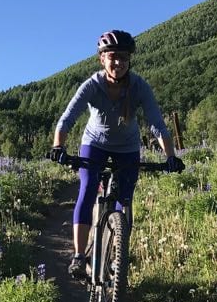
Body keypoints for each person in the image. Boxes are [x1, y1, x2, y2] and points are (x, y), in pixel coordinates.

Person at [49, 29, 183, 278]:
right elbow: (67, 119)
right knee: (88, 188)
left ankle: (117, 256)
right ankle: (79, 256)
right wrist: (59, 147)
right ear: (102, 59)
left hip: (127, 148)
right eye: (113, 57)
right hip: (94, 144)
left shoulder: (139, 87)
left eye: (123, 57)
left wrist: (171, 156)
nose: (118, 63)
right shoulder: (92, 85)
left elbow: (157, 125)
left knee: (125, 200)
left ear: (129, 60)